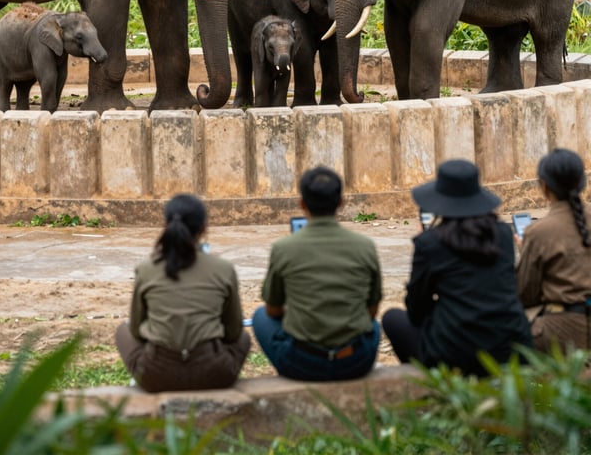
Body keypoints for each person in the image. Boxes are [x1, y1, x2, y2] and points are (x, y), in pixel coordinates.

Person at [382, 159, 532, 376]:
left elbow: (416, 310)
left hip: (455, 354)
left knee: (392, 318)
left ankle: (437, 386)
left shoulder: (430, 243)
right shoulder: (503, 234)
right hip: (509, 346)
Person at [252, 165, 382, 381]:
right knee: (375, 326)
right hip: (354, 362)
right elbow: (371, 310)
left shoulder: (284, 248)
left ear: (302, 203)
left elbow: (272, 311)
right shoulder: (365, 246)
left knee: (259, 316)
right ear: (341, 202)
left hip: (302, 363)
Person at [115, 193, 250, 392]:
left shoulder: (146, 268)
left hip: (156, 375)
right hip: (214, 374)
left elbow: (136, 329)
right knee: (245, 337)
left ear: (166, 225)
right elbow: (233, 332)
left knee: (122, 331)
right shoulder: (223, 269)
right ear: (204, 228)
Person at [516, 148, 591, 352]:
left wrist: (526, 252)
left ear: (544, 185)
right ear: (582, 182)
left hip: (562, 332)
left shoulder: (539, 232)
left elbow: (524, 294)